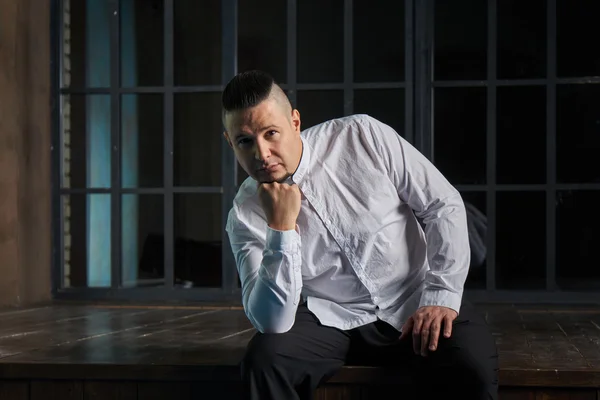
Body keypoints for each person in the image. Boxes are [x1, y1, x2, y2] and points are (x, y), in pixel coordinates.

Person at [222, 70, 499, 400]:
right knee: (264, 362)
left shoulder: (361, 135)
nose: (262, 154)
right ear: (230, 142)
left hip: (413, 298)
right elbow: (272, 323)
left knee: (474, 368)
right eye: (245, 141)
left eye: (271, 133)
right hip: (331, 318)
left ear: (295, 121)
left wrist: (441, 295)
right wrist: (281, 229)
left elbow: (442, 203)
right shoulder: (243, 214)